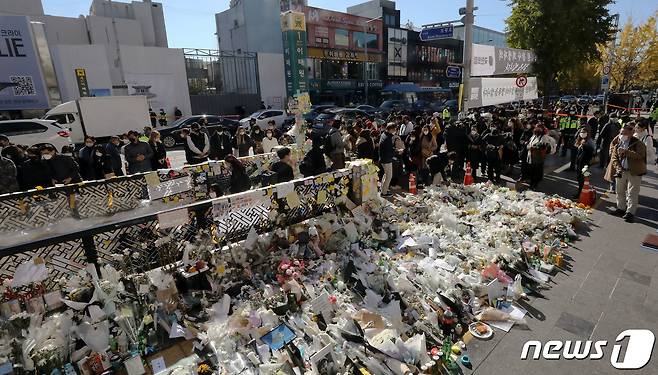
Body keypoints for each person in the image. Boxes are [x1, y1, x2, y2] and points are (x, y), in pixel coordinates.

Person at [606, 125, 647, 222]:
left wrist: (626, 152)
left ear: (631, 133)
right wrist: (618, 168)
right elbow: (614, 157)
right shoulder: (618, 142)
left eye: (625, 133)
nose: (622, 135)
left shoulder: (638, 143)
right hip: (622, 171)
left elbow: (641, 156)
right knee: (619, 191)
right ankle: (621, 208)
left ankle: (630, 213)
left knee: (632, 193)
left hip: (634, 172)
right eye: (621, 133)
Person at [574, 127, 596, 198]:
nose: (582, 134)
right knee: (579, 178)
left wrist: (585, 146)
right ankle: (580, 192)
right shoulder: (581, 140)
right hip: (580, 162)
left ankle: (580, 194)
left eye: (584, 132)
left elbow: (592, 152)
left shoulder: (589, 141)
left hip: (585, 163)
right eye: (581, 132)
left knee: (582, 179)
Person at [379, 123, 396, 197]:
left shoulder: (384, 134)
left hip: (383, 158)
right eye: (394, 129)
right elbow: (389, 151)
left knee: (386, 175)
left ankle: (383, 189)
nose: (395, 130)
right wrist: (397, 151)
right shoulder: (387, 138)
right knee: (389, 176)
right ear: (391, 129)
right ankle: (384, 193)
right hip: (386, 159)